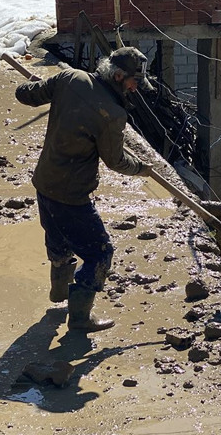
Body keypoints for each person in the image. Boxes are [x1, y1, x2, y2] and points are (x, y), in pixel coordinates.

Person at [15, 47, 154, 332]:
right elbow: (115, 161)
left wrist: (28, 87)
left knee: (58, 237)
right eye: (134, 82)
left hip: (44, 181)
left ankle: (60, 290)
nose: (136, 88)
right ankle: (79, 319)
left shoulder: (70, 78)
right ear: (118, 76)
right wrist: (141, 167)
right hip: (72, 194)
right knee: (100, 253)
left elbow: (27, 94)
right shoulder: (113, 115)